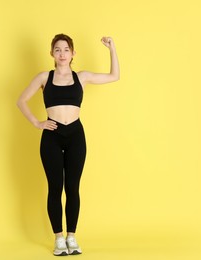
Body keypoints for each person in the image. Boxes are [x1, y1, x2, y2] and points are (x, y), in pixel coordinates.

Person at [16, 33, 120, 256]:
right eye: (57, 49)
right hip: (52, 136)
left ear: (73, 54)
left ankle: (72, 237)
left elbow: (114, 76)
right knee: (55, 188)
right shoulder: (44, 77)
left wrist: (111, 48)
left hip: (75, 135)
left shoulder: (81, 77)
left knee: (72, 188)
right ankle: (58, 239)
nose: (62, 53)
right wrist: (37, 122)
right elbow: (21, 100)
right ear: (51, 53)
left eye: (66, 49)